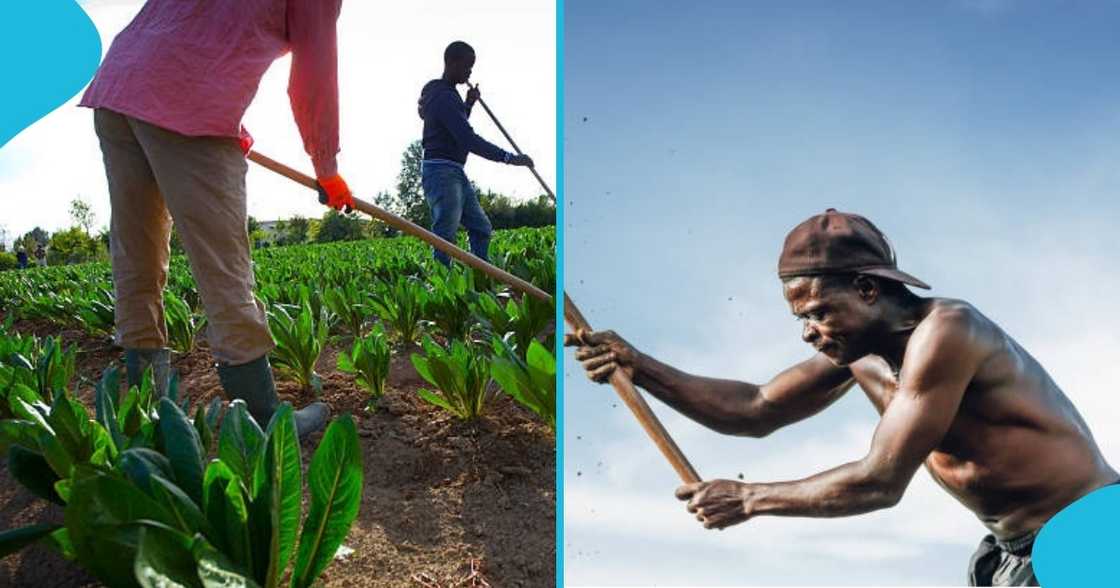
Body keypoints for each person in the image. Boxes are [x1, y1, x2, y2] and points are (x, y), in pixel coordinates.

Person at [567, 209, 1118, 586]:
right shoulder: (861, 353)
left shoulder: (948, 331)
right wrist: (638, 366)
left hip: (1087, 535)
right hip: (1011, 548)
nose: (808, 331)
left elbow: (880, 481)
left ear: (867, 289)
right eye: (799, 318)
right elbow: (756, 408)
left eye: (816, 312)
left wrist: (749, 498)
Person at [79, 0, 355, 438]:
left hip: (121, 82)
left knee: (137, 255)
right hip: (182, 92)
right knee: (224, 267)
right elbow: (313, 77)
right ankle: (265, 418)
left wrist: (226, 124)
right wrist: (326, 168)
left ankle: (149, 410)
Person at [417, 41, 534, 266]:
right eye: (466, 65)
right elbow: (467, 139)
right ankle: (442, 287)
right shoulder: (444, 96)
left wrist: (468, 105)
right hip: (441, 170)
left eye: (472, 67)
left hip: (454, 169)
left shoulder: (449, 96)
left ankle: (480, 274)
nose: (470, 71)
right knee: (445, 232)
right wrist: (509, 158)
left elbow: (453, 130)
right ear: (450, 62)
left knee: (481, 227)